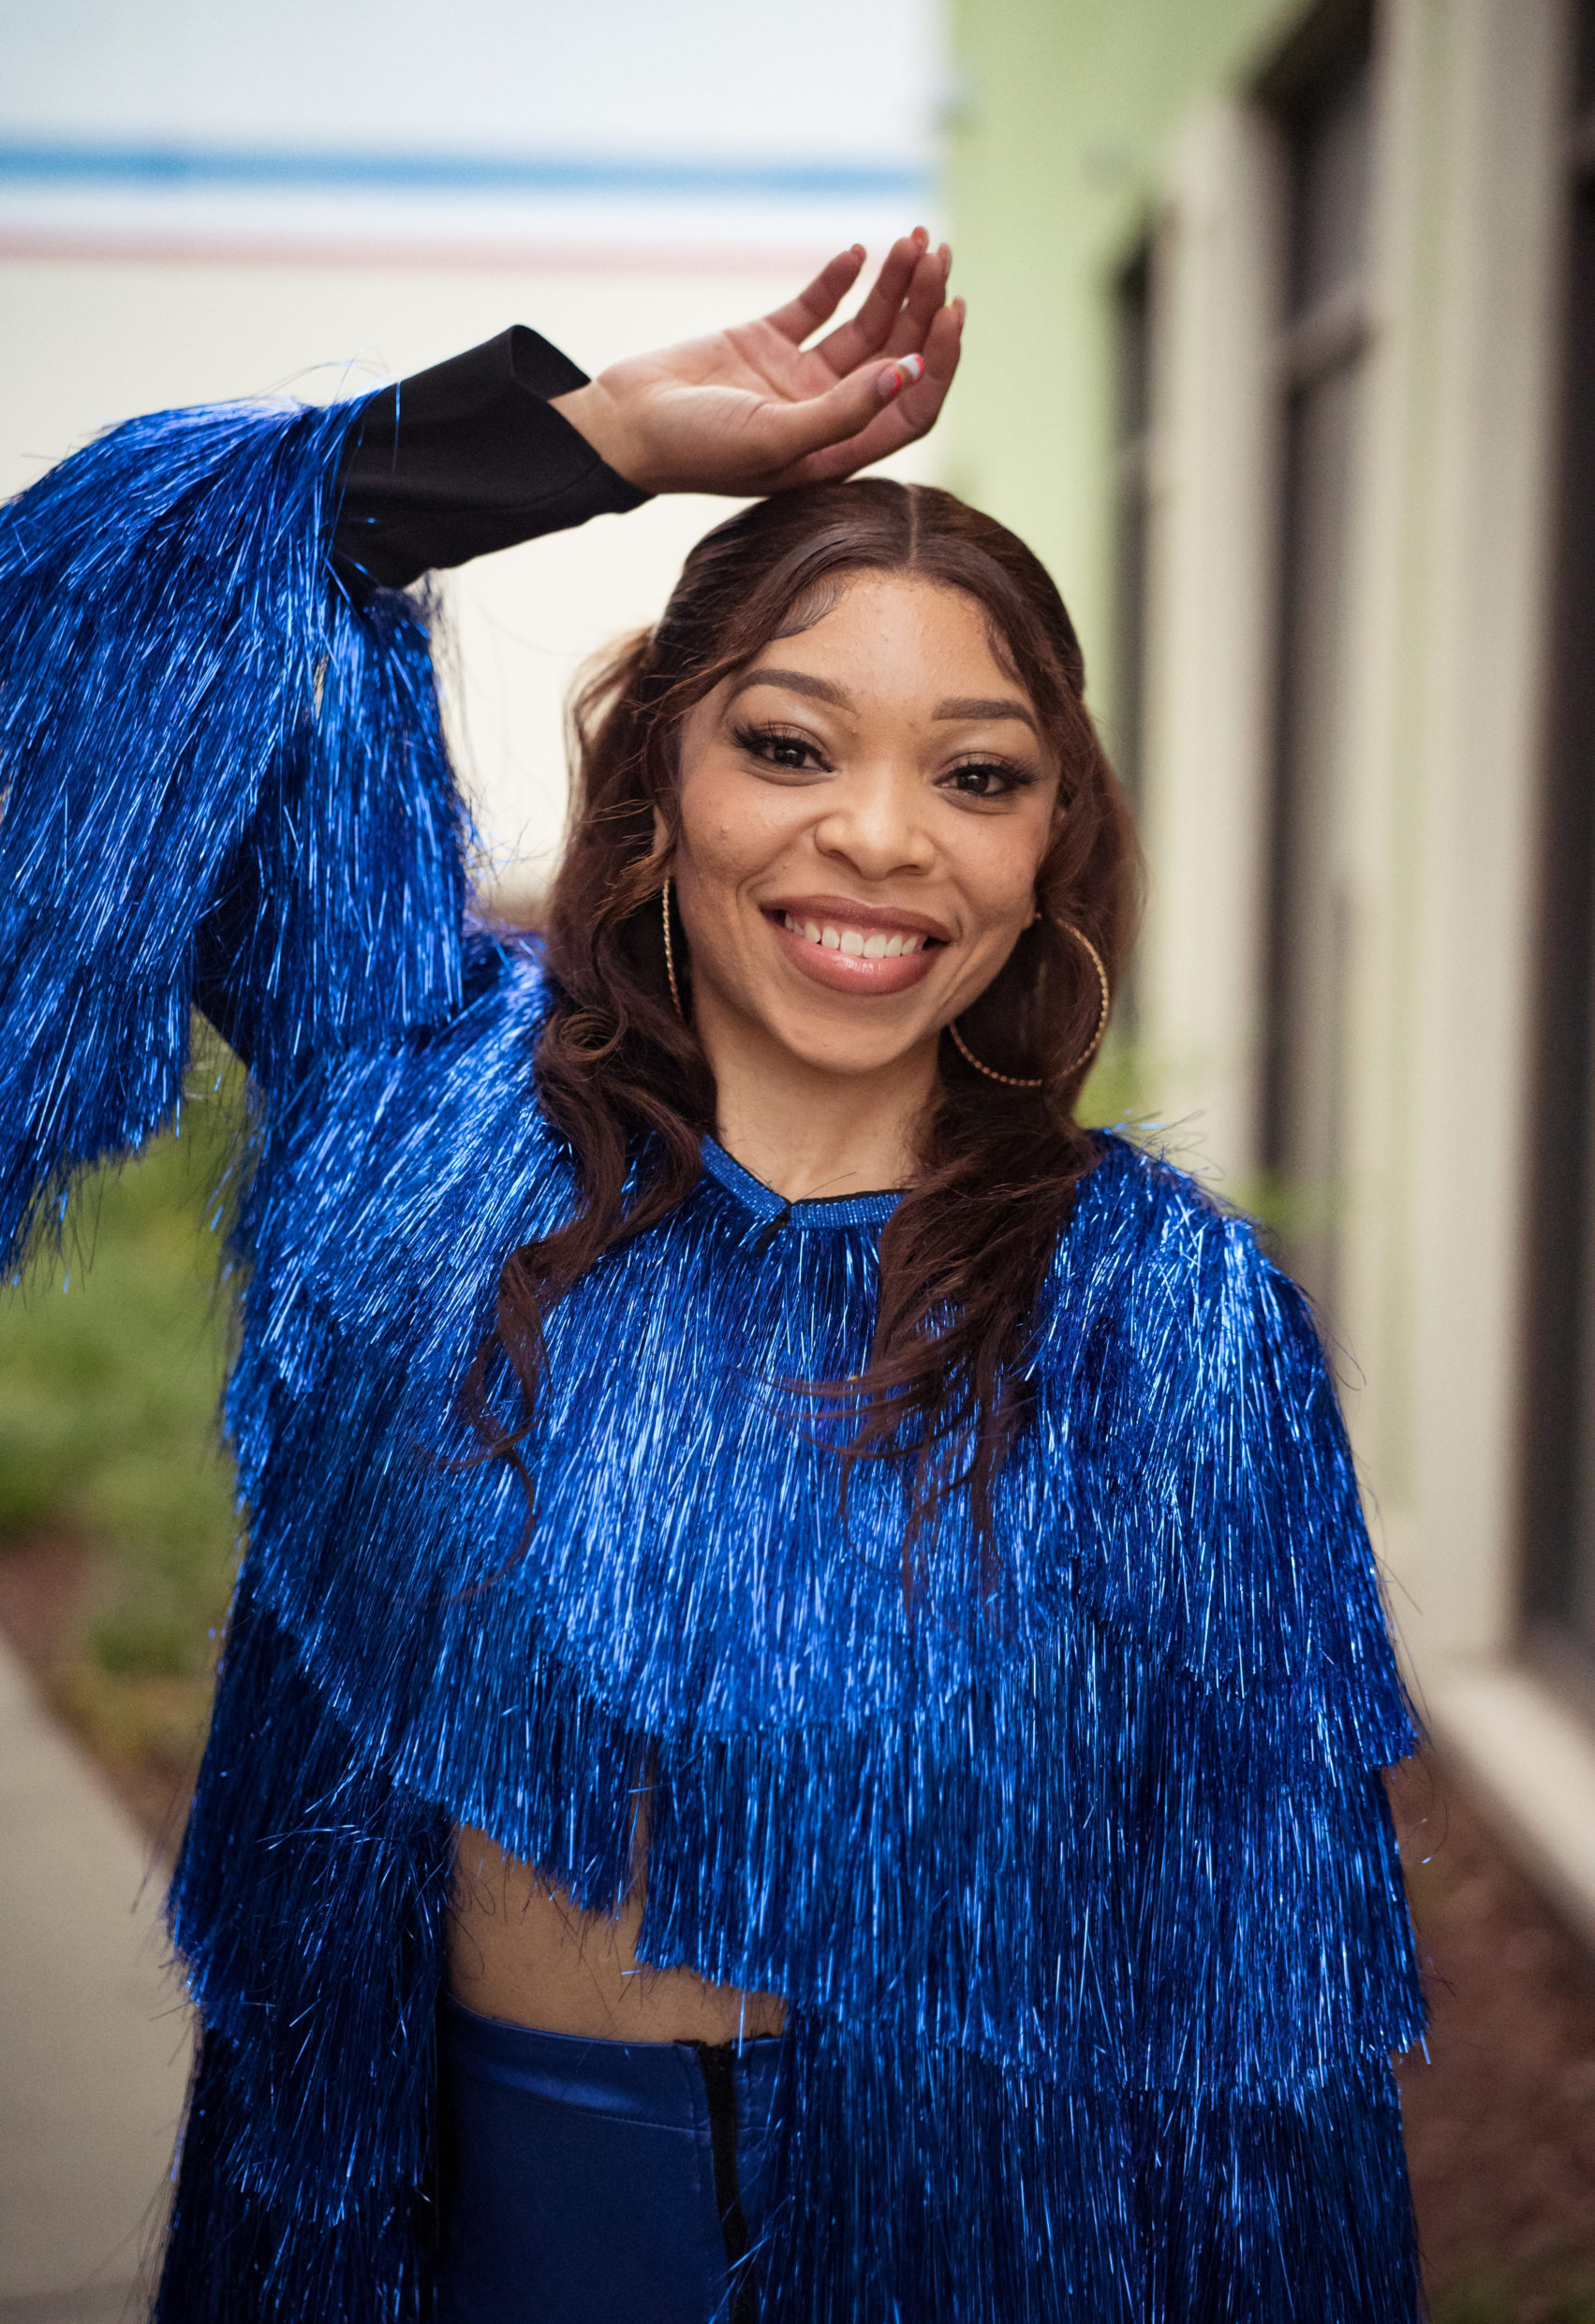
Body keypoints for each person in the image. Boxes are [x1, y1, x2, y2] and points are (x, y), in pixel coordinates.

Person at [0, 229, 1424, 2321]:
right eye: (789, 743)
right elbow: (76, 631)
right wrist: (597, 437)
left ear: (1049, 845)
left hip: (971, 2247)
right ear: (661, 773)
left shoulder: (1162, 1313)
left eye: (977, 774)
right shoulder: (414, 1122)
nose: (882, 836)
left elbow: (1266, 2006)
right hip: (438, 2226)